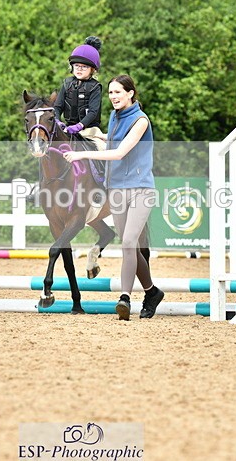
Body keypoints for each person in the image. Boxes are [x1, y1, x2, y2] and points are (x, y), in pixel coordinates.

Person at [63, 74, 164, 321]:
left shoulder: (141, 120)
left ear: (130, 93)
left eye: (118, 92)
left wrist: (82, 156)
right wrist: (97, 135)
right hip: (117, 190)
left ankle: (125, 298)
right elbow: (114, 141)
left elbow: (119, 153)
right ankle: (152, 292)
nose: (113, 97)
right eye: (110, 93)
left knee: (130, 241)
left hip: (140, 189)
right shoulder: (115, 117)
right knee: (129, 246)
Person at [53, 36, 107, 152]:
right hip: (67, 129)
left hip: (89, 131)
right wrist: (57, 121)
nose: (79, 69)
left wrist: (79, 126)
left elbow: (93, 112)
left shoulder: (95, 87)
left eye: (84, 66)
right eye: (77, 65)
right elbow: (57, 107)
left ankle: (106, 170)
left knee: (103, 148)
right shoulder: (67, 84)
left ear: (92, 70)